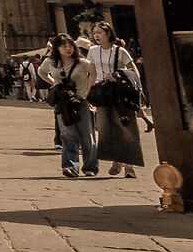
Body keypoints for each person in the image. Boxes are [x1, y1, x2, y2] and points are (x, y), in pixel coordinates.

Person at [86, 21, 144, 177]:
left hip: (120, 93)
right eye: (95, 32)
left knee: (126, 127)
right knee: (106, 128)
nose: (96, 35)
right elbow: (92, 73)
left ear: (108, 33)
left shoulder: (121, 51)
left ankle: (129, 166)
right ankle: (117, 160)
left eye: (99, 32)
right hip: (103, 93)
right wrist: (90, 94)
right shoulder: (92, 51)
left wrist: (118, 76)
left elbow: (135, 73)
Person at [45, 32, 98, 176]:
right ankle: (71, 167)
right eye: (64, 46)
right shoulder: (52, 62)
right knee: (67, 134)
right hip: (62, 102)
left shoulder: (82, 62)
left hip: (81, 100)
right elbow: (42, 72)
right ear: (57, 48)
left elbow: (94, 72)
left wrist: (89, 90)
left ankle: (90, 167)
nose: (68, 49)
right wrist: (54, 83)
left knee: (87, 135)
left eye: (70, 46)